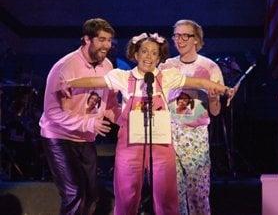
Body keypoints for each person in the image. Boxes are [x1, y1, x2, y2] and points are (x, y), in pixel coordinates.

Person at [62, 32, 232, 215]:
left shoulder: (166, 77)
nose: (149, 56)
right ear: (136, 54)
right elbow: (96, 81)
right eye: (144, 51)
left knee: (166, 197)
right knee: (126, 196)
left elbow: (198, 81)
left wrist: (223, 89)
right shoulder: (122, 76)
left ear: (159, 58)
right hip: (130, 145)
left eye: (154, 53)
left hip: (160, 145)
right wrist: (70, 83)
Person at [39, 18, 120, 215]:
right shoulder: (64, 67)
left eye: (109, 40)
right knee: (74, 193)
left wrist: (127, 121)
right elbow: (52, 113)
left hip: (86, 138)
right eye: (101, 39)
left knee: (92, 194)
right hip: (59, 138)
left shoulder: (107, 66)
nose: (107, 45)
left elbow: (109, 103)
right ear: (86, 39)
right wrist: (87, 123)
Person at [158, 19, 225, 215]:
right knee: (174, 193)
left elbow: (215, 111)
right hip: (169, 133)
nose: (180, 40)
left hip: (195, 136)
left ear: (196, 39)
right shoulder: (167, 66)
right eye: (176, 35)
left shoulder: (209, 67)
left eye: (185, 35)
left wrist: (213, 99)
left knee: (198, 192)